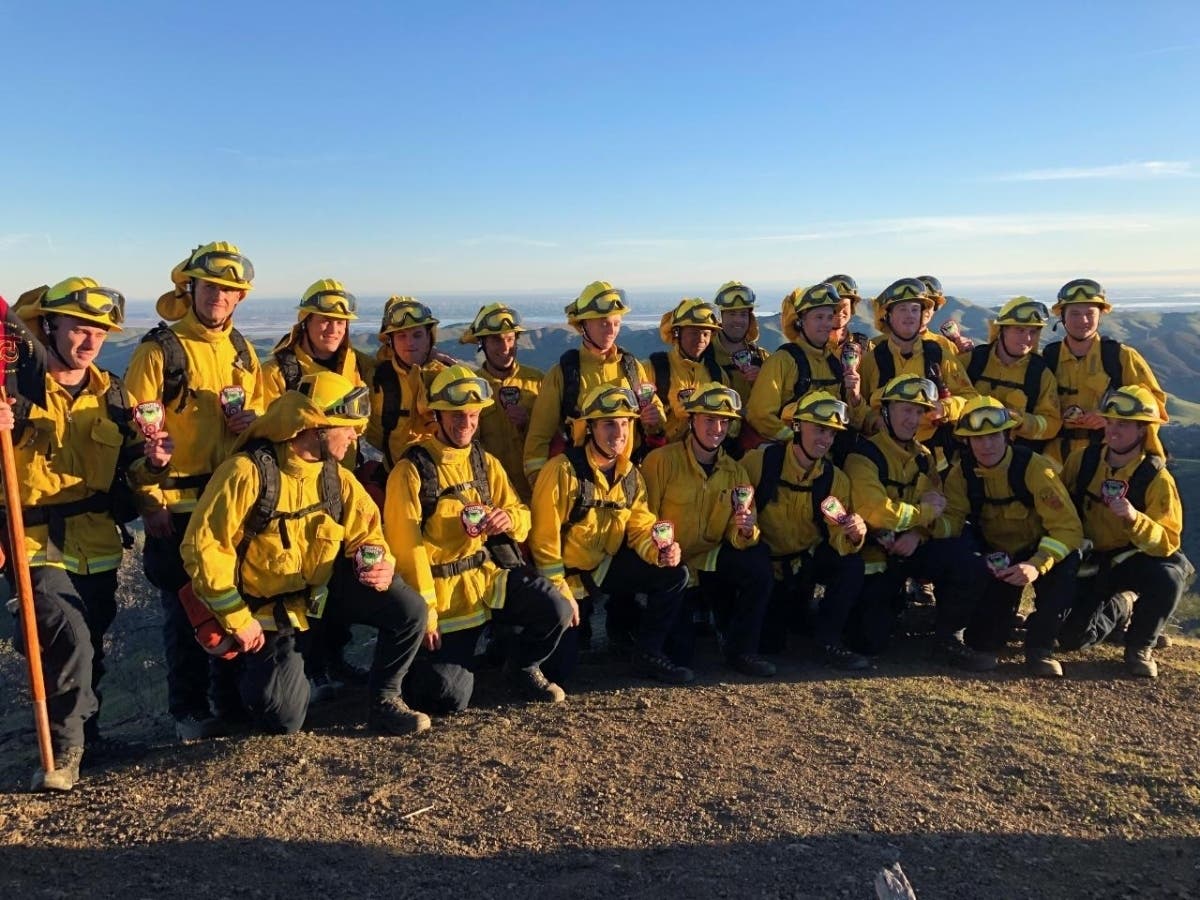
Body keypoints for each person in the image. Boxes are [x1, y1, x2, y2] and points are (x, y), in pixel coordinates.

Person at [180, 372, 431, 736]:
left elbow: (367, 530)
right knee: (283, 718)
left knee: (409, 609)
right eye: (346, 427)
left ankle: (385, 702)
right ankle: (241, 677)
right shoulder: (246, 473)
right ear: (316, 428)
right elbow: (204, 548)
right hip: (265, 614)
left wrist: (375, 559)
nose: (355, 435)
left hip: (319, 598)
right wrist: (237, 618)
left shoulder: (336, 477)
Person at [0, 278, 173, 791]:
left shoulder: (114, 395)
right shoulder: (16, 390)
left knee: (90, 641)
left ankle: (88, 737)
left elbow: (131, 471)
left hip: (97, 541)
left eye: (100, 331)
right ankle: (65, 751)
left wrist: (156, 463)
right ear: (49, 327)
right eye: (79, 327)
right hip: (34, 540)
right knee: (69, 634)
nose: (91, 340)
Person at [124, 242, 263, 741]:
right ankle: (187, 712)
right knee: (185, 613)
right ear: (192, 289)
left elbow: (263, 419)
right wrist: (151, 502)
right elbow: (135, 436)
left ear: (240, 297)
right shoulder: (160, 350)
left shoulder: (243, 351)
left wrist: (253, 422)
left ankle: (230, 707)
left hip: (231, 503)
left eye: (229, 289)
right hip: (177, 503)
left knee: (229, 600)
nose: (219, 297)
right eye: (211, 287)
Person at [384, 366, 573, 713]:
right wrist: (425, 612)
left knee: (554, 608)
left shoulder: (485, 462)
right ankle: (424, 666)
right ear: (436, 416)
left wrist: (509, 519)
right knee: (445, 697)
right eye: (457, 415)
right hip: (447, 600)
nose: (466, 424)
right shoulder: (410, 471)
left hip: (488, 582)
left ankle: (521, 667)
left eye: (473, 415)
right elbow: (406, 549)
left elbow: (522, 513)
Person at [530, 384, 690, 684]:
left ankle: (648, 652)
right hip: (565, 579)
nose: (619, 432)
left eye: (626, 423)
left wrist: (659, 551)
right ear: (589, 428)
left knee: (674, 574)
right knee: (560, 674)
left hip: (602, 570)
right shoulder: (561, 471)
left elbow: (641, 527)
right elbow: (543, 541)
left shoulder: (631, 476)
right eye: (608, 424)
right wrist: (561, 591)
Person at [261, 279, 375, 700]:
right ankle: (304, 670)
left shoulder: (355, 367)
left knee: (335, 570)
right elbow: (267, 427)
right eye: (324, 319)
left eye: (340, 322)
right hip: (294, 488)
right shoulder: (279, 371)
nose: (332, 328)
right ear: (305, 321)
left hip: (342, 485)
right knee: (302, 574)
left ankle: (332, 658)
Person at [843, 375, 997, 670]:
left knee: (967, 561)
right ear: (885, 411)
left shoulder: (924, 456)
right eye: (905, 409)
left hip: (912, 546)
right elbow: (877, 512)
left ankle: (949, 638)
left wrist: (917, 534)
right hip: (876, 553)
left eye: (918, 411)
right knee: (867, 642)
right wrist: (922, 515)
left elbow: (939, 503)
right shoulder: (863, 455)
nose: (912, 419)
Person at [943, 396, 1083, 677]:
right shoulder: (961, 474)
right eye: (978, 438)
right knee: (984, 640)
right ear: (967, 442)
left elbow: (1068, 529)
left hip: (1039, 552)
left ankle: (1039, 649)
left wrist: (1036, 564)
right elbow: (953, 524)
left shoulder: (1034, 468)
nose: (986, 445)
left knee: (1068, 566)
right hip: (998, 561)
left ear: (1007, 435)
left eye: (994, 435)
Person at [641, 383, 775, 677]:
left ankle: (741, 650)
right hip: (668, 564)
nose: (718, 428)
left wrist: (745, 531)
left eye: (725, 421)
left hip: (708, 558)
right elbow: (643, 519)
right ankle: (642, 641)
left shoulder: (735, 471)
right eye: (710, 419)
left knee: (758, 565)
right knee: (682, 655)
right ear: (692, 421)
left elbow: (737, 535)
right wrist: (660, 552)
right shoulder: (661, 462)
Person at [1057, 386, 1189, 677]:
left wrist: (1134, 518)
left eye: (1124, 424)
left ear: (1143, 430)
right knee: (1071, 640)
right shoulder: (1082, 461)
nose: (1113, 430)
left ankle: (1140, 645)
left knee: (1168, 575)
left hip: (1133, 559)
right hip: (1091, 561)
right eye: (1111, 422)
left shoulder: (1156, 477)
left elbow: (1167, 541)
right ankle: (1123, 606)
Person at [742, 390, 870, 670]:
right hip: (764, 566)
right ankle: (744, 645)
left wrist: (854, 535)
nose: (826, 440)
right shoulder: (759, 464)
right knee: (772, 644)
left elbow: (837, 538)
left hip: (802, 567)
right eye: (820, 430)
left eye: (832, 434)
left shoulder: (835, 478)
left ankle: (829, 641)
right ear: (797, 427)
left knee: (851, 565)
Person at [523, 281, 666, 486]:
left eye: (616, 323)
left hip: (625, 479)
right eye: (603, 323)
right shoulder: (563, 374)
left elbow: (655, 415)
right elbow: (538, 437)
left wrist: (654, 419)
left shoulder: (632, 368)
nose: (611, 331)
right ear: (584, 325)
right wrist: (541, 484)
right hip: (577, 482)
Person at [1042, 278, 1168, 464]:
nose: (1083, 320)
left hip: (1108, 456)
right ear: (1062, 317)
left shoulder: (1122, 357)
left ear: (1100, 316)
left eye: (1090, 313)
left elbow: (1155, 409)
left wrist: (1110, 419)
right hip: (1055, 457)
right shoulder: (1049, 357)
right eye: (1075, 313)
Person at [859, 277, 977, 463]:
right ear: (888, 316)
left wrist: (945, 408)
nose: (910, 315)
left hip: (933, 453)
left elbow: (970, 398)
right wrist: (875, 421)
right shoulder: (872, 360)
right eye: (902, 309)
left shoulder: (940, 355)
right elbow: (860, 408)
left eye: (915, 309)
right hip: (884, 454)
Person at [746, 283, 861, 448]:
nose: (826, 324)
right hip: (790, 455)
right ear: (800, 322)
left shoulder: (834, 363)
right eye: (818, 317)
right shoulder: (782, 360)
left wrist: (855, 398)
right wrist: (796, 441)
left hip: (830, 451)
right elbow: (759, 414)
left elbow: (848, 417)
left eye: (829, 317)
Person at [957, 297, 1061, 454]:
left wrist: (1022, 422)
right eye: (1020, 330)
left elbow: (1052, 424)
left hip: (1015, 460)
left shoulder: (1040, 374)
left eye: (1033, 332)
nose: (1027, 338)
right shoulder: (972, 361)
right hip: (967, 454)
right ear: (1002, 330)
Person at [461, 303, 542, 502]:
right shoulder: (472, 386)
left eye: (510, 338)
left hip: (537, 493)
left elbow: (557, 436)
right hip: (492, 497)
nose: (505, 347)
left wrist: (527, 423)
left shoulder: (539, 381)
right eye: (496, 340)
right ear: (482, 343)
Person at [364, 296, 452, 473]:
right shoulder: (376, 378)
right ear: (391, 342)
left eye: (417, 335)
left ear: (429, 338)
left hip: (446, 483)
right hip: (395, 479)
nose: (410, 343)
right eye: (401, 336)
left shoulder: (447, 377)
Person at [647, 299, 731, 443]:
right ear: (677, 333)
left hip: (703, 455)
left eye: (705, 334)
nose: (700, 339)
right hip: (660, 454)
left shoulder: (718, 375)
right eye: (693, 333)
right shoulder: (654, 368)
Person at [710, 280, 769, 407]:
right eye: (732, 314)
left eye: (743, 314)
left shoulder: (761, 357)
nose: (738, 320)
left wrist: (763, 379)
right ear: (720, 318)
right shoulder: (705, 357)